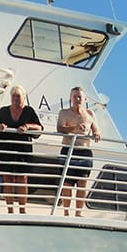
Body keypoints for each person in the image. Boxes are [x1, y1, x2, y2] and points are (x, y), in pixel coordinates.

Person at [0, 84, 43, 214]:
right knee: (7, 179)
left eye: (18, 96)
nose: (15, 99)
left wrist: (27, 126)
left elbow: (39, 128)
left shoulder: (29, 111)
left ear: (24, 98)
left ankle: (22, 209)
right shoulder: (3, 111)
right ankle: (10, 210)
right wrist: (0, 126)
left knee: (22, 178)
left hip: (22, 149)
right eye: (13, 96)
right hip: (6, 148)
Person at [55, 86, 100, 216]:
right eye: (75, 96)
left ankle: (78, 212)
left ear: (85, 99)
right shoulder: (64, 112)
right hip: (68, 150)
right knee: (67, 183)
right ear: (71, 98)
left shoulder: (90, 114)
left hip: (84, 151)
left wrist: (96, 133)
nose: (77, 99)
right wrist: (75, 128)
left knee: (82, 183)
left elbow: (96, 129)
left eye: (80, 96)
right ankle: (66, 212)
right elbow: (60, 128)